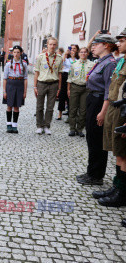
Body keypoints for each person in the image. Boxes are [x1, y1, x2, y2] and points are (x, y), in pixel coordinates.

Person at [76, 34, 117, 186]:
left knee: (97, 139)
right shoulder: (101, 62)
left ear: (106, 45)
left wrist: (103, 111)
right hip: (92, 98)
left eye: (96, 44)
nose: (92, 46)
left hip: (100, 101)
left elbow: (109, 90)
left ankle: (96, 175)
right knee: (91, 137)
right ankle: (91, 172)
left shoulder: (110, 64)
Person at [93, 28, 126, 208]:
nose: (118, 44)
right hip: (116, 107)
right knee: (118, 152)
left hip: (123, 110)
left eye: (122, 41)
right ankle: (117, 187)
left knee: (123, 153)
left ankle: (121, 192)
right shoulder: (121, 62)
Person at [33, 37, 63, 135]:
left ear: (56, 45)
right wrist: (35, 86)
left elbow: (59, 74)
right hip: (41, 83)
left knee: (50, 107)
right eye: (50, 44)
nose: (52, 46)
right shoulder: (40, 57)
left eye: (54, 44)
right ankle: (39, 126)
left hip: (53, 84)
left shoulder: (59, 58)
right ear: (47, 45)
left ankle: (46, 126)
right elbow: (36, 72)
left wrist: (59, 87)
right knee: (39, 106)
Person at [67, 47, 94, 137]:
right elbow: (70, 78)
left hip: (86, 88)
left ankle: (80, 129)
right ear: (78, 54)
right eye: (81, 52)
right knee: (73, 108)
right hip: (75, 87)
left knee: (83, 110)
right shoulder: (74, 64)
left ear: (87, 54)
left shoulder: (92, 64)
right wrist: (68, 89)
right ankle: (72, 128)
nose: (83, 54)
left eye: (85, 52)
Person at [3, 45, 28, 133]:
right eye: (14, 52)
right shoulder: (8, 64)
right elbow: (5, 78)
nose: (16, 54)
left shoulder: (24, 64)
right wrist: (4, 91)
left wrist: (25, 91)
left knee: (17, 106)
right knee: (9, 105)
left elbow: (25, 78)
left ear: (21, 53)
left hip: (19, 85)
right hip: (10, 84)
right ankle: (8, 124)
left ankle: (15, 125)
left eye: (18, 52)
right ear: (12, 53)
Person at [57, 46, 79, 120]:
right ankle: (60, 113)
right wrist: (65, 54)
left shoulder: (77, 60)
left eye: (74, 49)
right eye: (71, 49)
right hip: (65, 75)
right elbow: (61, 62)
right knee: (62, 95)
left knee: (71, 96)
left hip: (73, 77)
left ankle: (70, 114)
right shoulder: (66, 59)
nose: (72, 51)